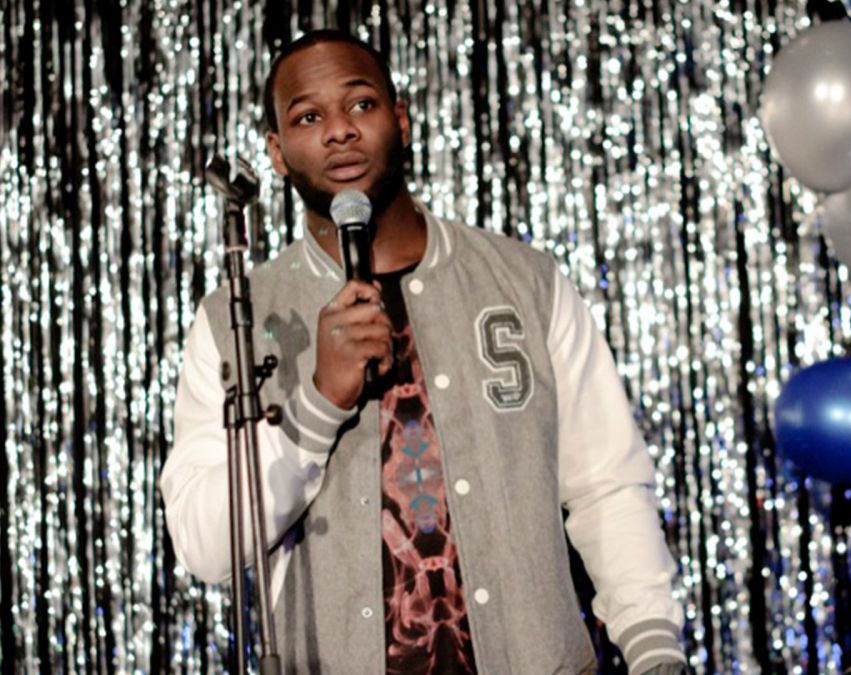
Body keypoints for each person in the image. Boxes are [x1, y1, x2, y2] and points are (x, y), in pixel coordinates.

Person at [160, 29, 687, 674]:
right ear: (277, 152)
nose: (339, 131)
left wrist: (653, 646)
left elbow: (607, 483)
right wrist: (318, 404)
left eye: (361, 105)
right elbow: (203, 544)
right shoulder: (233, 320)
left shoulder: (525, 282)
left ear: (401, 119)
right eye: (308, 117)